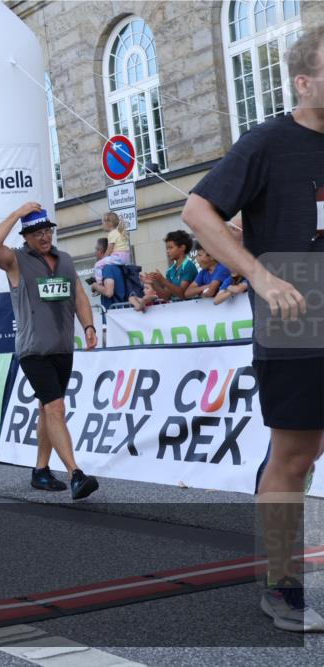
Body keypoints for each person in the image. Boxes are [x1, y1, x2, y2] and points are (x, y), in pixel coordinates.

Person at [182, 26, 324, 633]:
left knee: (296, 455)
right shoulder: (268, 141)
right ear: (304, 81)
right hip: (298, 306)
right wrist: (260, 278)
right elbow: (197, 211)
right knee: (296, 456)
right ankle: (282, 588)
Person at [0, 203, 100, 499]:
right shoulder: (16, 261)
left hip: (62, 347)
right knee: (55, 407)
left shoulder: (65, 260)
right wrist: (14, 213)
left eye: (47, 230)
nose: (45, 236)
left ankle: (40, 471)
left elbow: (79, 296)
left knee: (47, 409)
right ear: (26, 236)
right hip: (33, 350)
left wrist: (88, 327)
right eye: (38, 232)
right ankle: (76, 473)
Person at [131, 230, 198, 311]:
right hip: (177, 311)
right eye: (167, 248)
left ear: (182, 248)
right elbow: (166, 296)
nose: (167, 251)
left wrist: (162, 280)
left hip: (191, 309)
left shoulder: (189, 266)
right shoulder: (170, 270)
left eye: (171, 247)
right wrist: (153, 284)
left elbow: (182, 294)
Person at [88, 238, 127, 309]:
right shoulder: (114, 267)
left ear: (100, 251)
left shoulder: (108, 268)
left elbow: (109, 292)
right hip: (117, 311)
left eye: (96, 249)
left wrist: (95, 286)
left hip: (114, 313)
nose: (95, 252)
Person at [92, 211, 131, 283]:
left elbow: (109, 249)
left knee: (97, 265)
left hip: (119, 257)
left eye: (103, 223)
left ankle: (99, 282)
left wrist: (103, 258)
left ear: (108, 223)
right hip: (125, 257)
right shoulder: (119, 232)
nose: (102, 225)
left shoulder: (112, 234)